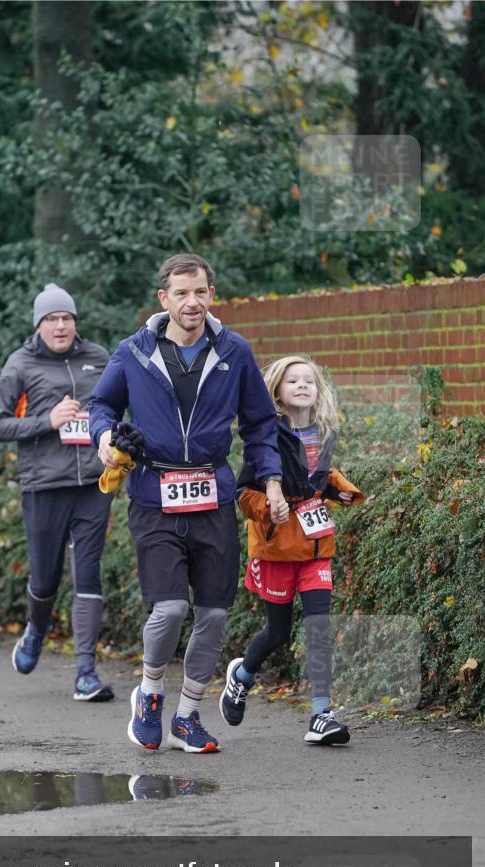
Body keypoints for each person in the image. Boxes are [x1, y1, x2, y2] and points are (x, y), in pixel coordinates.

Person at [89, 253, 285, 753]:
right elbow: (102, 404)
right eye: (181, 293)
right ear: (164, 299)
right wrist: (104, 436)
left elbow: (261, 425)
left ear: (211, 295)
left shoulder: (234, 352)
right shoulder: (134, 351)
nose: (191, 302)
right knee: (171, 608)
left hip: (212, 496)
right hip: (153, 495)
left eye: (200, 292)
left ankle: (187, 715)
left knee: (215, 615)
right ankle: (150, 694)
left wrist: (274, 481)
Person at [219, 355, 364, 744]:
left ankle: (321, 715)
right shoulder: (266, 438)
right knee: (278, 633)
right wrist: (271, 506)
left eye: (309, 381)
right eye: (292, 381)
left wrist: (339, 490)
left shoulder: (324, 432)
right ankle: (242, 676)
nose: (302, 386)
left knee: (319, 627)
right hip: (276, 549)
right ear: (277, 394)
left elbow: (317, 479)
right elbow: (243, 492)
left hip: (316, 549)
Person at [0, 283, 114, 701]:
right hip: (44, 485)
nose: (60, 326)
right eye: (51, 319)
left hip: (95, 485)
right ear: (39, 325)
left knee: (89, 574)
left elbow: (119, 407)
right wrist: (47, 420)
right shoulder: (20, 364)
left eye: (66, 318)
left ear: (75, 322)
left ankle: (85, 673)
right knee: (45, 578)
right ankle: (36, 630)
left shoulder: (98, 358)